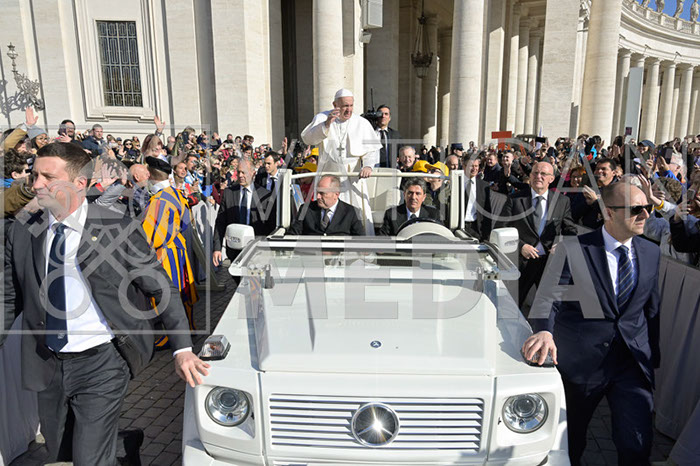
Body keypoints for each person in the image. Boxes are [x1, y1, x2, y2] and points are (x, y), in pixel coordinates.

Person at [1, 142, 209, 465]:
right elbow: (9, 297)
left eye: (48, 177)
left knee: (89, 458)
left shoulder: (116, 228)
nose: (36, 184)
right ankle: (125, 449)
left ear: (79, 183)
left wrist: (182, 348)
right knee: (61, 453)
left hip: (102, 362)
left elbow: (160, 287)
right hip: (47, 363)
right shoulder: (22, 231)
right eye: (34, 175)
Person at [524, 181, 659, 466]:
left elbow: (651, 308)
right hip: (581, 366)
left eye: (647, 207)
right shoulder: (574, 249)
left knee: (636, 445)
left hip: (631, 366)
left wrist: (652, 357)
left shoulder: (651, 252)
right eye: (636, 209)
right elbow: (548, 297)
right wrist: (544, 331)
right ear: (609, 212)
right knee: (571, 442)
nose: (646, 215)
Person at [301, 88, 382, 235]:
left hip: (353, 177)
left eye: (351, 105)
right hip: (328, 174)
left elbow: (372, 150)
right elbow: (308, 139)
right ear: (335, 105)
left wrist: (368, 166)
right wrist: (326, 125)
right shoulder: (322, 117)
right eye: (345, 106)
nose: (349, 110)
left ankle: (360, 245)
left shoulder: (361, 123)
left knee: (357, 212)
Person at [502, 161, 578, 308]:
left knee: (548, 307)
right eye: (535, 173)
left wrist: (563, 244)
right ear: (530, 176)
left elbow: (570, 230)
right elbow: (502, 229)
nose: (538, 176)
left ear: (551, 179)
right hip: (520, 263)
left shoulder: (562, 201)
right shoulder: (515, 199)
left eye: (543, 174)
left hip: (548, 263)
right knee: (512, 305)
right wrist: (521, 246)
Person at [141, 157, 199, 338]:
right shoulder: (176, 193)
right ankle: (188, 328)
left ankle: (170, 336)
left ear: (150, 175)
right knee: (182, 292)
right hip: (178, 248)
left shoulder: (159, 199)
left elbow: (151, 236)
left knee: (166, 295)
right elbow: (186, 221)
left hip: (165, 252)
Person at [213, 159, 274, 264]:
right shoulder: (229, 193)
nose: (240, 175)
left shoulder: (265, 196)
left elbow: (270, 225)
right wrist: (217, 248)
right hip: (234, 251)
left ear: (253, 173)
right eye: (239, 172)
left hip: (257, 252)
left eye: (244, 172)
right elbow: (220, 222)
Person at [288, 175, 364, 236]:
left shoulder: (351, 212)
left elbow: (360, 240)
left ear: (336, 194)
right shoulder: (306, 209)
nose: (318, 196)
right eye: (317, 192)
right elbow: (292, 235)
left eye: (322, 193)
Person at [463, 156, 503, 240]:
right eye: (471, 166)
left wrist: (486, 235)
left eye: (476, 166)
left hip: (476, 229)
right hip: (458, 226)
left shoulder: (484, 186)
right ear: (464, 166)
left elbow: (487, 211)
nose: (474, 169)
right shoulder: (456, 182)